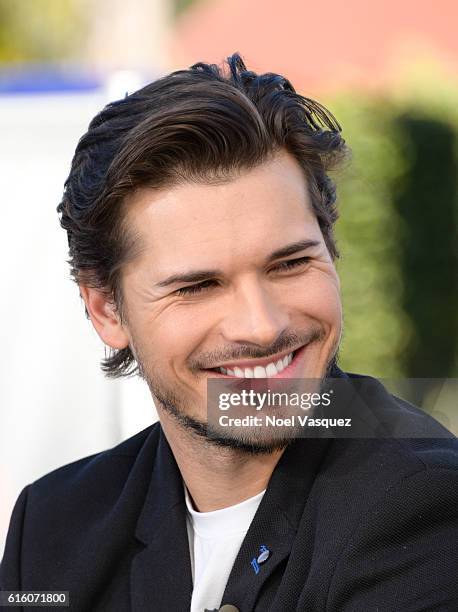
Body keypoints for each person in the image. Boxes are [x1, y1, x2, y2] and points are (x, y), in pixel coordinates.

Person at [1, 53, 457, 612]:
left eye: (290, 264)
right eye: (197, 286)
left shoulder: (428, 506)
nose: (262, 325)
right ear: (107, 311)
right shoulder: (53, 524)